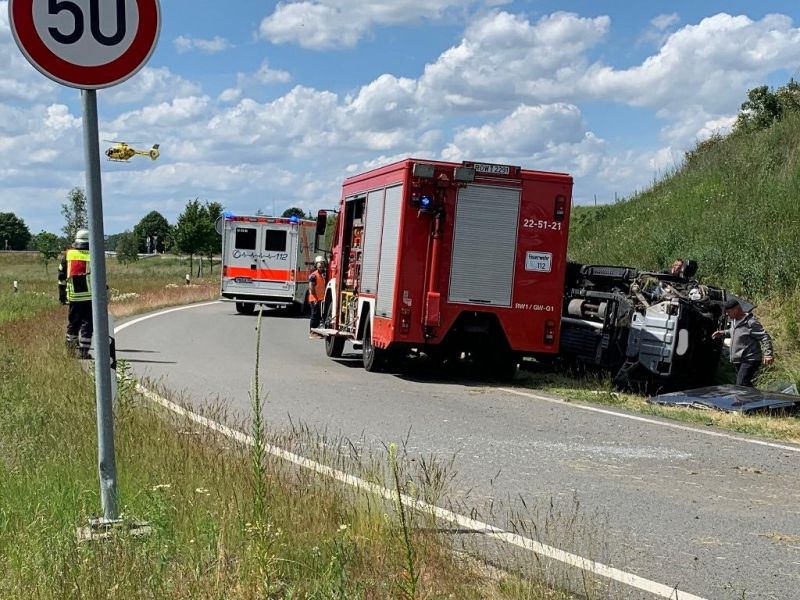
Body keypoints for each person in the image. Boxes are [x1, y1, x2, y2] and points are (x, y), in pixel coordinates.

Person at [712, 298, 774, 387]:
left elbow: (764, 336)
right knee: (745, 385)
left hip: (750, 359)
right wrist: (723, 333)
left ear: (736, 309)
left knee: (741, 385)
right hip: (739, 360)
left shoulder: (751, 323)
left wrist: (768, 354)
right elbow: (733, 331)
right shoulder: (734, 321)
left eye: (728, 312)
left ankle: (743, 401)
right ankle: (756, 399)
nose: (727, 314)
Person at [58, 229, 93, 359]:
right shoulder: (94, 254)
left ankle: (70, 352)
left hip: (74, 296)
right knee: (88, 324)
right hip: (90, 296)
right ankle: (83, 352)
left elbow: (61, 277)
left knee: (73, 323)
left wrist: (62, 295)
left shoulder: (68, 255)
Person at [308, 256, 327, 339]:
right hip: (314, 299)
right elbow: (311, 288)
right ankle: (312, 332)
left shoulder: (322, 274)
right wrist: (315, 298)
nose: (321, 268)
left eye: (322, 266)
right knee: (314, 316)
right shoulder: (313, 275)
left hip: (320, 299)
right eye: (320, 267)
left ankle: (316, 332)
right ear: (316, 266)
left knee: (318, 316)